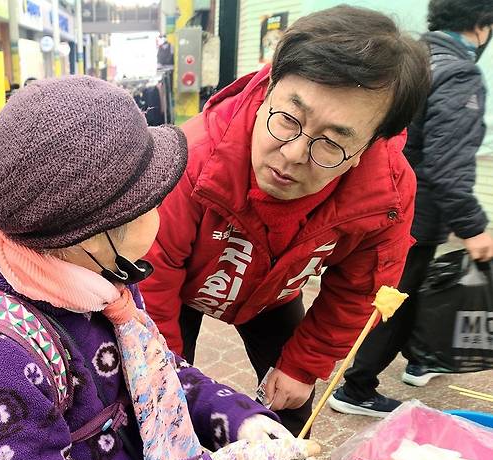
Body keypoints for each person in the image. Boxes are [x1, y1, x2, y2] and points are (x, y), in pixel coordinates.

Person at [0, 76, 321, 460]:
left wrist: (240, 421)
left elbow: (156, 373)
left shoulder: (95, 283)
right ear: (98, 231)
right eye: (153, 201)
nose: (165, 210)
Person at [139, 5, 431, 436]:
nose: (292, 155)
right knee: (162, 398)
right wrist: (166, 392)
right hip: (181, 286)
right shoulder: (190, 159)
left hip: (275, 291)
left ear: (371, 145)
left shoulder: (384, 194)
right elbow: (151, 279)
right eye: (288, 119)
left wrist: (304, 365)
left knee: (293, 402)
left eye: (332, 142)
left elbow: (360, 289)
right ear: (269, 87)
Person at [329, 0, 493, 418]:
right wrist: (474, 227)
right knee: (394, 299)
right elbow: (447, 162)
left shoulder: (413, 62)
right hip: (414, 212)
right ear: (482, 25)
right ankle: (357, 388)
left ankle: (422, 359)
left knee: (408, 291)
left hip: (388, 202)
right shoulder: (460, 73)